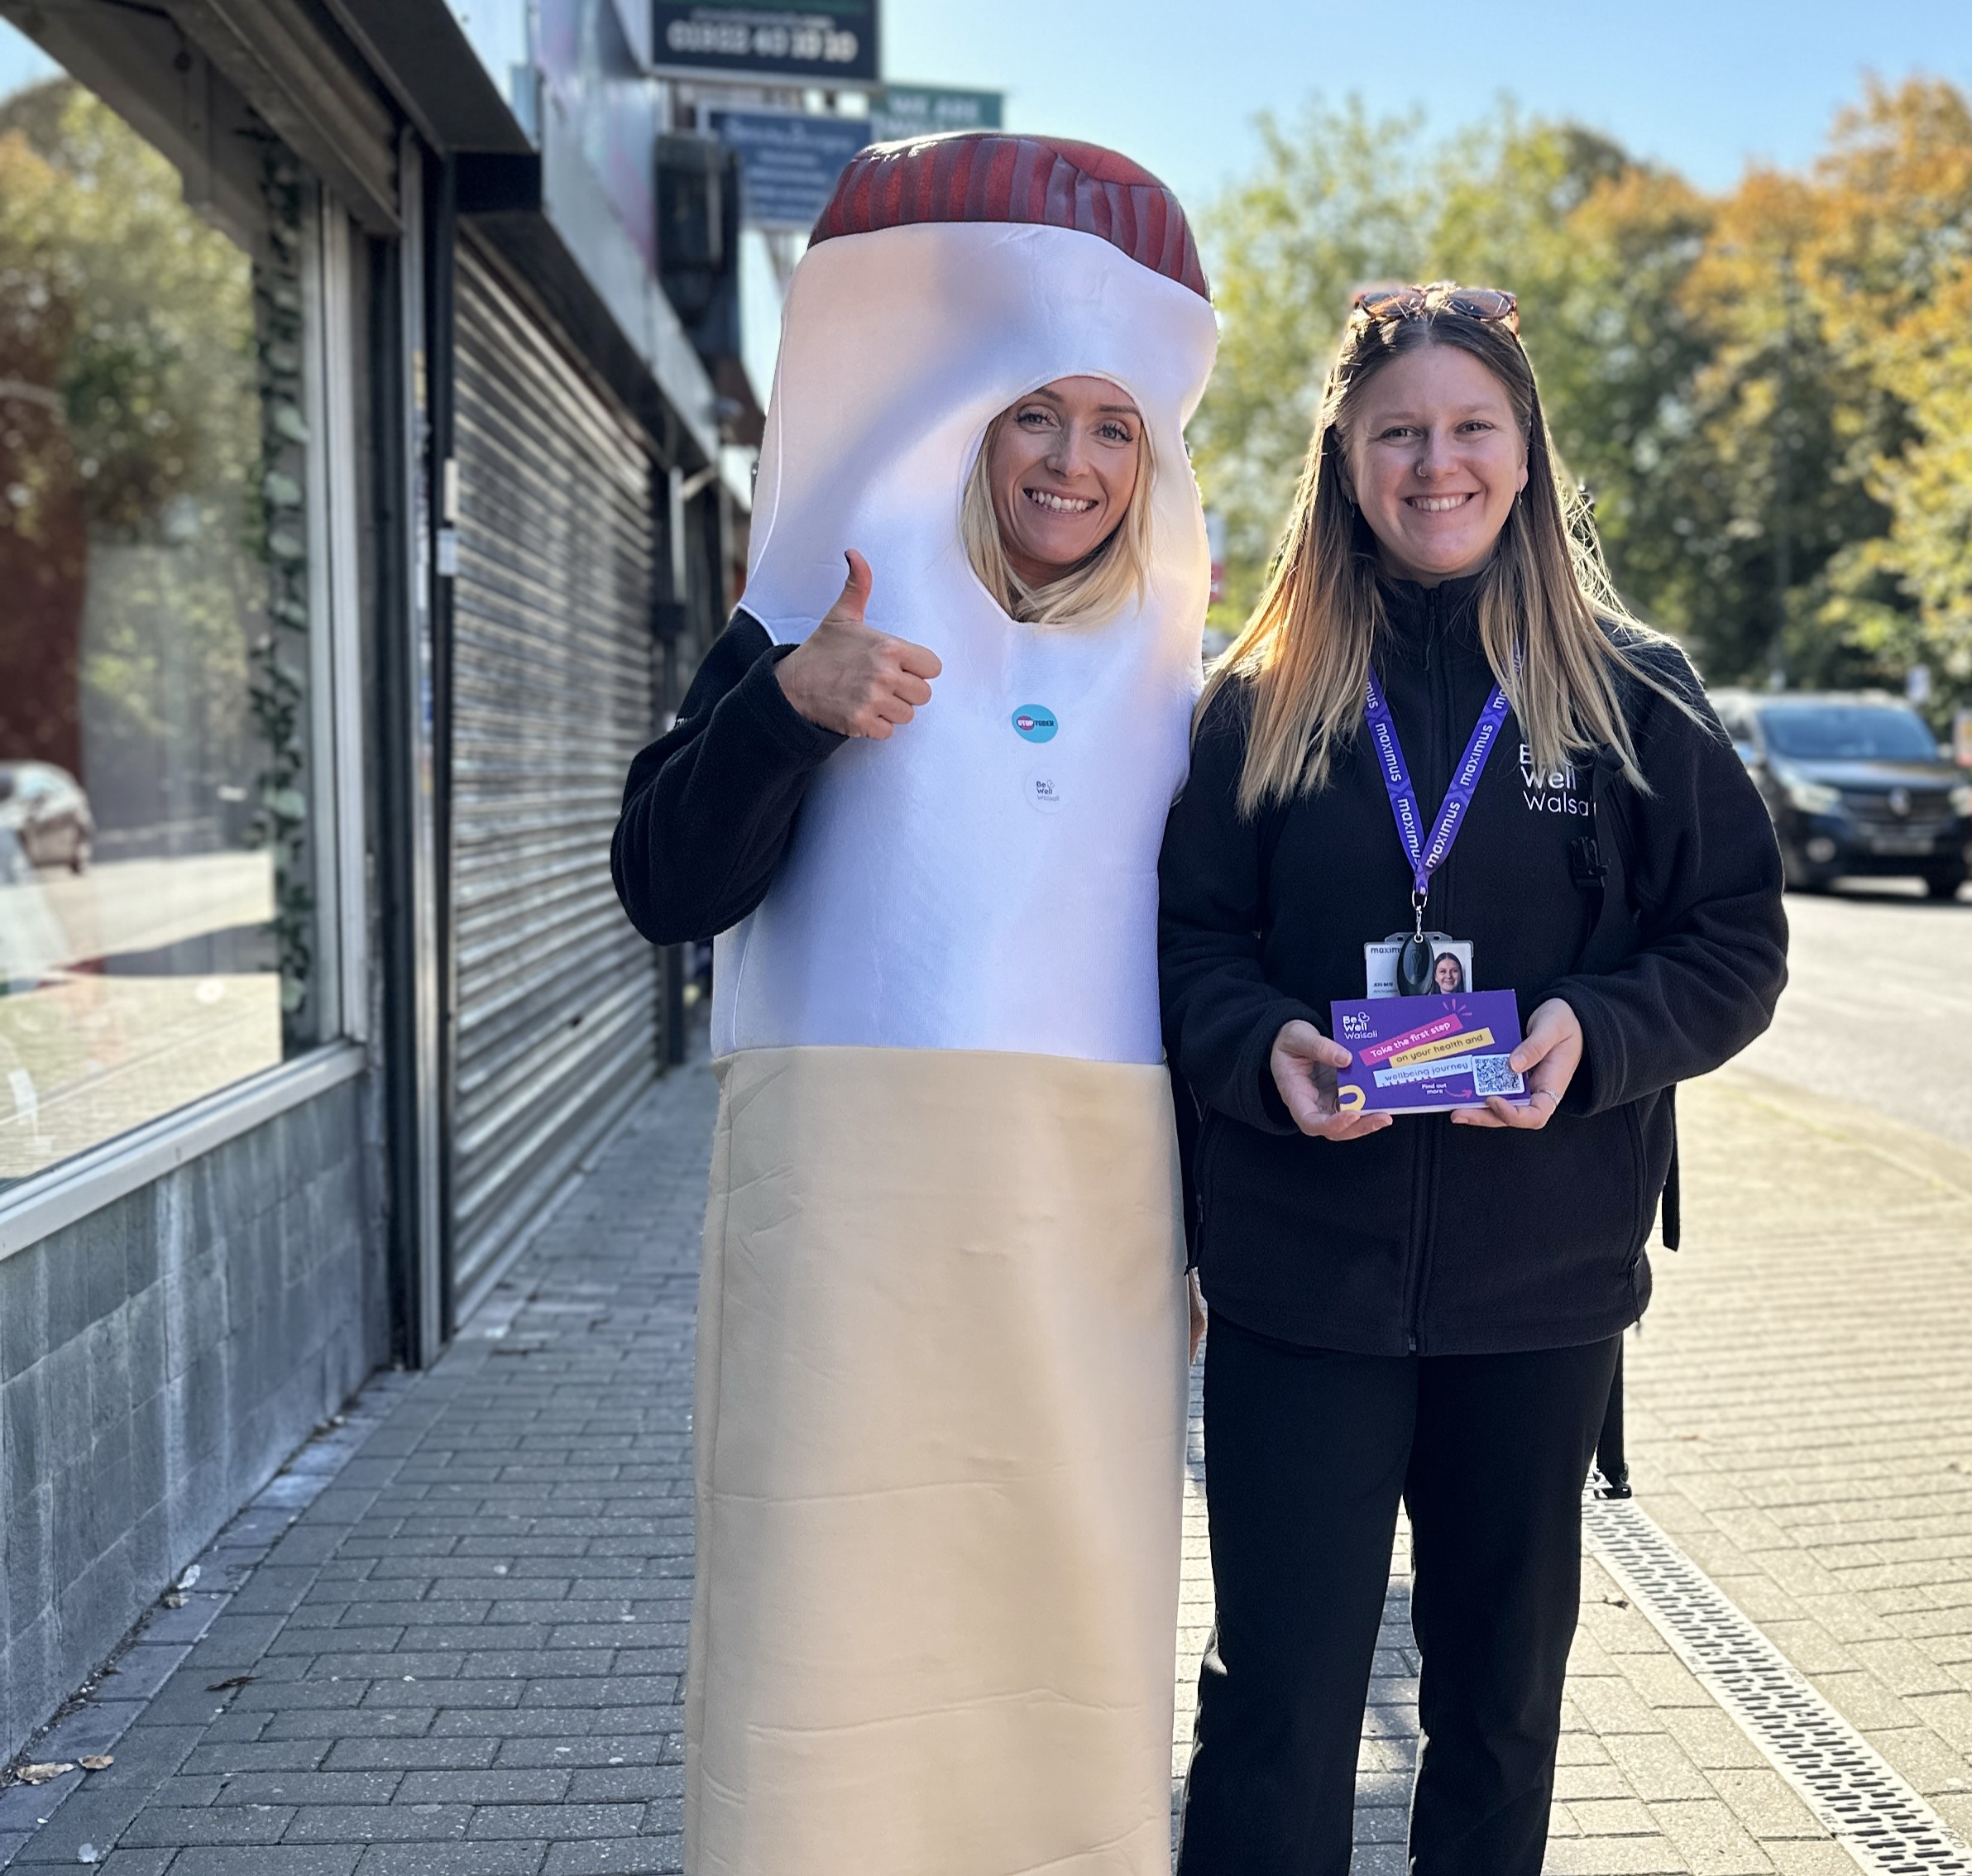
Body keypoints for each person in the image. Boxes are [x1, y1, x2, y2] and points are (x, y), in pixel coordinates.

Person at [610, 132, 1217, 1875]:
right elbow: (665, 883)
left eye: (1116, 426)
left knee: (1062, 1617)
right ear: (969, 417)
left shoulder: (1182, 666)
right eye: (1042, 414)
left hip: (1083, 1218)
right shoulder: (807, 610)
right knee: (832, 1612)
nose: (1078, 461)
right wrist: (790, 705)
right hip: (851, 1209)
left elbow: (1210, 956)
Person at [1160, 281, 1788, 1875]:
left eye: (1470, 429)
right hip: (1304, 1283)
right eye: (1399, 433)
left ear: (1524, 451)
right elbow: (1187, 948)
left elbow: (1736, 945)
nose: (1437, 464)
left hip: (1543, 1293)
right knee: (1277, 1701)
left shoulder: (1632, 692)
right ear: (1345, 460)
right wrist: (1263, 1049)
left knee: (1500, 1702)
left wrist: (1601, 1035)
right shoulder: (1263, 695)